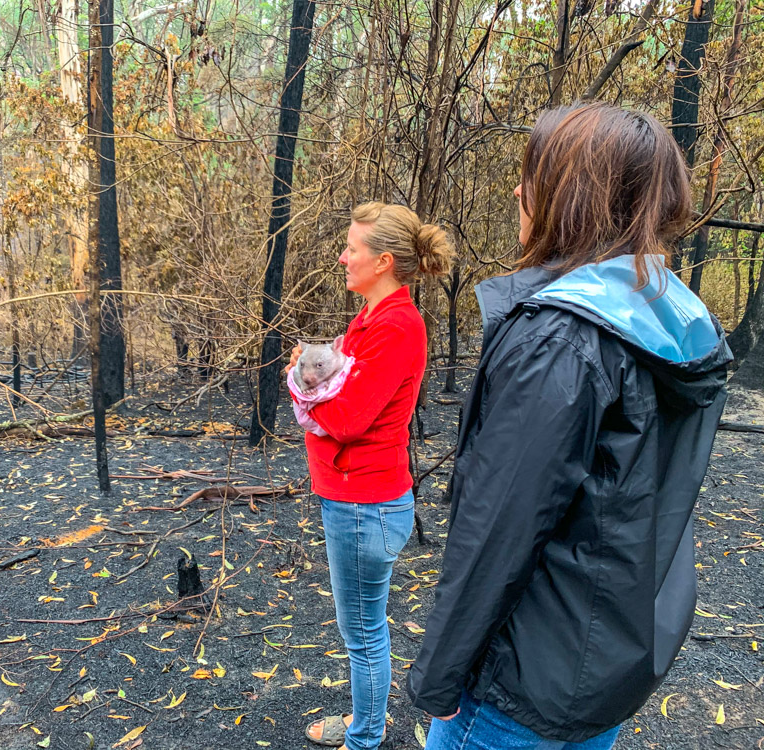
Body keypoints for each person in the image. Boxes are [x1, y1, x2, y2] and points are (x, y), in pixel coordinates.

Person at [408, 103, 732, 749]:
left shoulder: (563, 336)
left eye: (532, 175)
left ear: (569, 196)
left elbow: (500, 525)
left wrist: (439, 681)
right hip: (605, 666)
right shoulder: (670, 319)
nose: (518, 191)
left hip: (517, 685)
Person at [288, 202, 453, 750]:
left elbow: (344, 418)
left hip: (366, 505)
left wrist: (301, 388)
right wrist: (314, 389)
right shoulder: (367, 321)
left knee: (363, 634)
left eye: (352, 249)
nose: (342, 257)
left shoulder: (397, 326)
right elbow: (331, 393)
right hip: (354, 499)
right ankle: (365, 726)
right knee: (361, 629)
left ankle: (362, 739)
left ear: (382, 261)